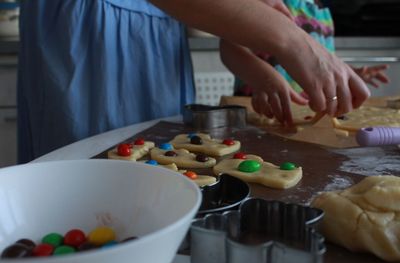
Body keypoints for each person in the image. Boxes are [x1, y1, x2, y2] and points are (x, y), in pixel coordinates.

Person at [18, 0, 370, 163]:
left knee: (159, 175)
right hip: (97, 30)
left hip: (154, 33)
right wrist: (294, 40)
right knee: (95, 193)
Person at [221, 0, 389, 124]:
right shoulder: (261, 4)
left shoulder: (322, 12)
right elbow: (229, 48)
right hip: (261, 112)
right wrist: (262, 78)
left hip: (306, 116)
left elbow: (322, 62)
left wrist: (348, 74)